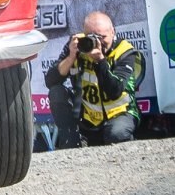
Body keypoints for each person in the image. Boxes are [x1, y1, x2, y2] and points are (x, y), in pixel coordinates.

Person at [45, 11, 144, 148]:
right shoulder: (78, 44)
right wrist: (71, 57)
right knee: (56, 92)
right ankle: (70, 141)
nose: (98, 42)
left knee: (116, 135)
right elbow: (50, 82)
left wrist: (100, 61)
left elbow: (114, 90)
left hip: (120, 113)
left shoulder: (124, 52)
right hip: (88, 117)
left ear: (113, 32)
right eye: (92, 37)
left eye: (102, 37)